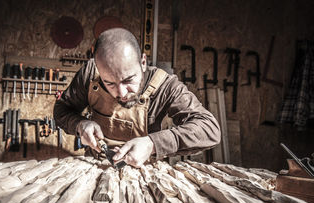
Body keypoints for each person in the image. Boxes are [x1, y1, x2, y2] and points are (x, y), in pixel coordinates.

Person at [54, 28, 220, 168]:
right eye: (110, 83)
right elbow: (61, 109)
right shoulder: (90, 74)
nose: (122, 93)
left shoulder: (166, 86)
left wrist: (153, 144)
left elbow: (209, 128)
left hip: (142, 175)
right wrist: (80, 124)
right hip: (94, 167)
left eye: (128, 80)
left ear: (143, 62)